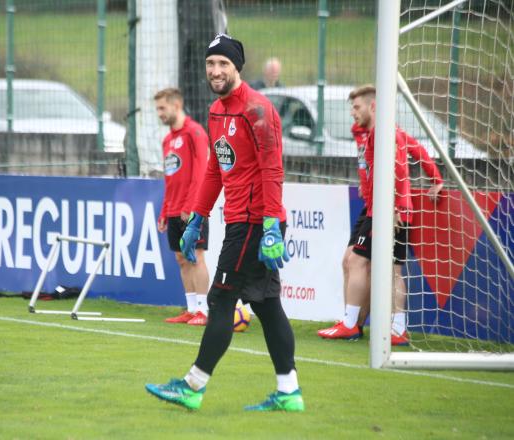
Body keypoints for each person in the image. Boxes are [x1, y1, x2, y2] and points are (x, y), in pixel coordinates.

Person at [146, 34, 303, 412]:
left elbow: (272, 169)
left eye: (223, 64)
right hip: (239, 221)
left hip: (253, 223)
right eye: (210, 64)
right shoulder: (217, 112)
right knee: (266, 306)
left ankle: (192, 385)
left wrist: (269, 225)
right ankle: (289, 393)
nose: (216, 71)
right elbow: (216, 169)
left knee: (219, 300)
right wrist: (197, 218)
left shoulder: (259, 110)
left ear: (238, 68)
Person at [318, 84, 443, 346]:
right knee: (351, 261)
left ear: (373, 106)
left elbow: (398, 168)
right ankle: (355, 322)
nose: (352, 112)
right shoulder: (371, 132)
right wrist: (436, 177)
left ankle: (361, 325)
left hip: (389, 210)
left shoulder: (385, 134)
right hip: (375, 207)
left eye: (356, 107)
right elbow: (416, 148)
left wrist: (397, 207)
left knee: (376, 266)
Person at [154, 88, 211, 326]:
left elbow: (201, 173)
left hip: (193, 209)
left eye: (162, 108)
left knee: (195, 256)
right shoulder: (167, 139)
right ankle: (191, 309)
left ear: (176, 105)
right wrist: (165, 211)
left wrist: (192, 206)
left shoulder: (195, 132)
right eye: (157, 109)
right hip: (174, 209)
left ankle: (204, 310)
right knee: (181, 258)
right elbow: (170, 178)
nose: (159, 114)